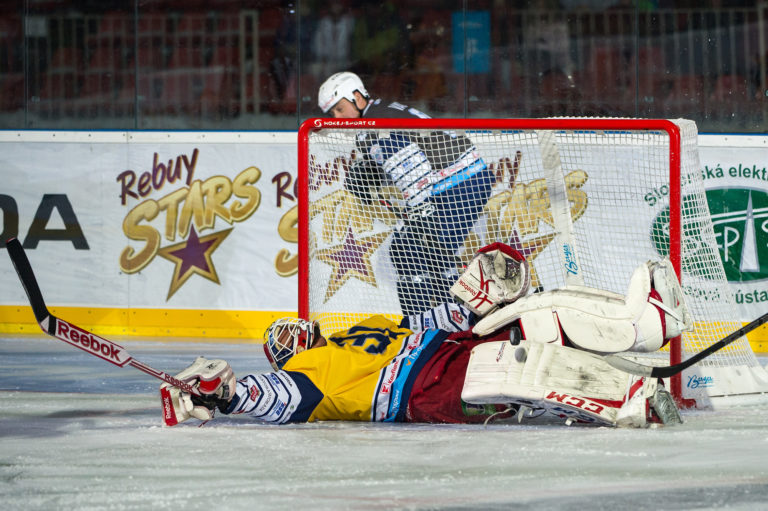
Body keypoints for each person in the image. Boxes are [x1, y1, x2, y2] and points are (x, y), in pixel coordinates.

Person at [160, 244, 691, 429]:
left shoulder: (360, 330)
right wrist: (230, 393)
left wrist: (473, 301)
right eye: (291, 336)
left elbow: (430, 323)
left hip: (452, 350)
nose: (300, 333)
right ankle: (632, 398)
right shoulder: (308, 371)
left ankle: (645, 328)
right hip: (429, 389)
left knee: (541, 311)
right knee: (523, 368)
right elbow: (280, 397)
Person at [317, 71, 497, 315]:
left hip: (461, 183)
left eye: (340, 109)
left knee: (417, 249)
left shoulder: (374, 125)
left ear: (357, 97)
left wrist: (420, 208)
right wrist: (372, 174)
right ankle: (433, 318)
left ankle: (447, 319)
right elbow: (406, 157)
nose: (337, 118)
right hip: (457, 181)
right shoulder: (377, 114)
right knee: (411, 248)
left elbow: (412, 164)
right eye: (332, 113)